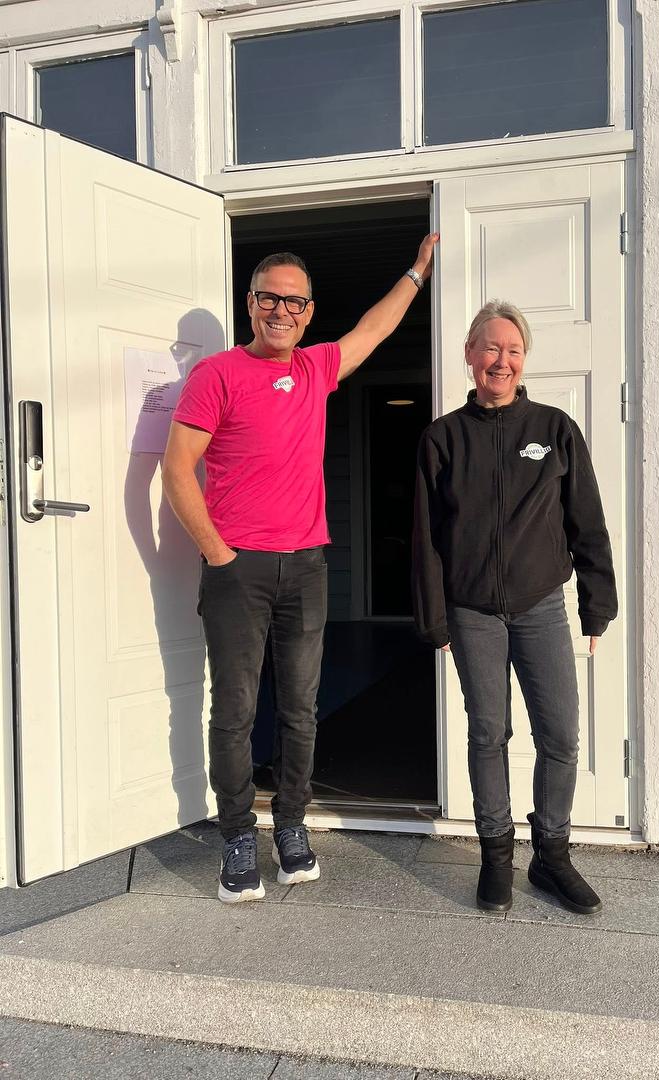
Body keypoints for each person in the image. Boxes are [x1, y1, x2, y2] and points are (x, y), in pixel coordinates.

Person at [163, 234, 438, 902]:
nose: (281, 310)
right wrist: (218, 553)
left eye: (294, 302)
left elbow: (374, 329)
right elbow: (175, 470)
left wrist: (415, 272)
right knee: (234, 711)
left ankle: (290, 826)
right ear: (250, 303)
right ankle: (236, 837)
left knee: (300, 710)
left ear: (309, 312)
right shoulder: (217, 375)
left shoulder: (316, 369)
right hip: (238, 569)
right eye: (270, 298)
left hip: (307, 567)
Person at [411, 300, 617, 914]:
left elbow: (587, 520)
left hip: (540, 606)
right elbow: (425, 536)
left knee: (560, 735)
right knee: (487, 733)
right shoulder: (442, 438)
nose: (501, 361)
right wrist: (433, 617)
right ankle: (496, 855)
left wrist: (597, 604)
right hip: (472, 612)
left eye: (513, 350)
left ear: (524, 360)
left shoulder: (554, 429)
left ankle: (551, 856)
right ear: (470, 354)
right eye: (491, 348)